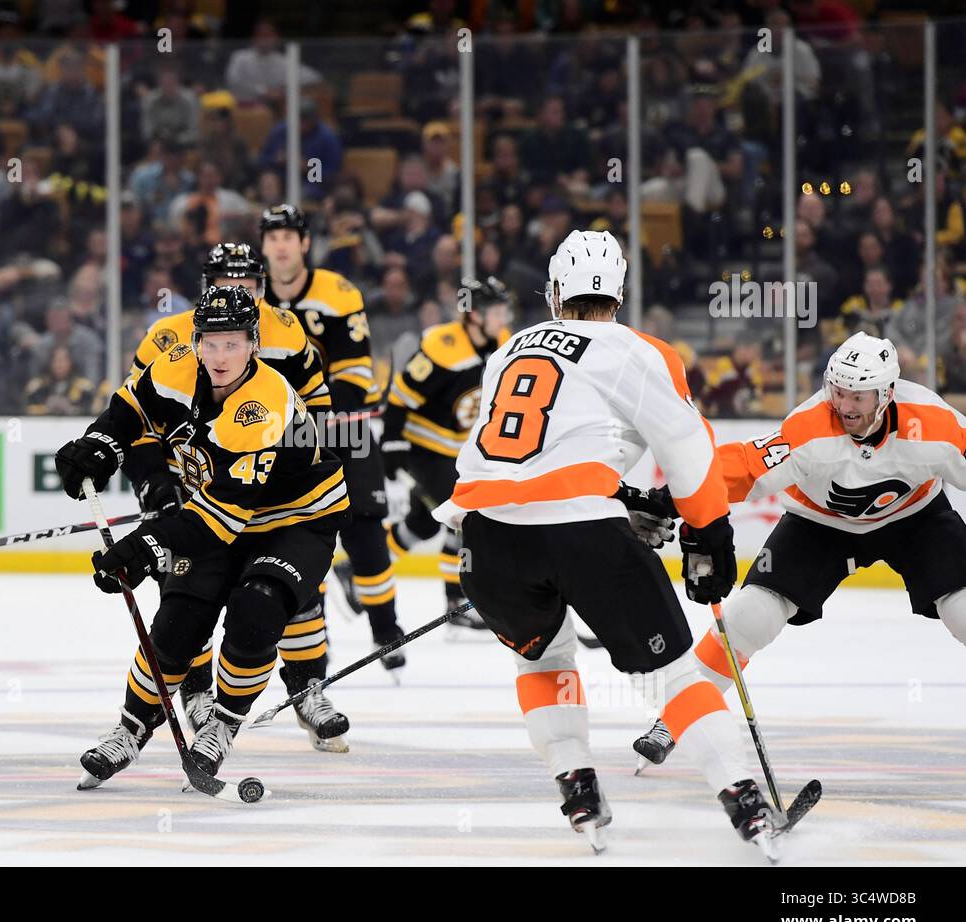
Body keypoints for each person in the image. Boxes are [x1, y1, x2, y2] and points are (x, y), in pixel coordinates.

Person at [432, 230, 779, 855]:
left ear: (555, 289)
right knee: (672, 677)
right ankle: (746, 802)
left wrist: (620, 500)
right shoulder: (637, 348)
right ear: (619, 293)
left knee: (542, 660)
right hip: (582, 536)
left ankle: (578, 786)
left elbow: (528, 454)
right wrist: (710, 533)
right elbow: (688, 449)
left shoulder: (509, 346)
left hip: (486, 540)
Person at [55, 286, 350, 787]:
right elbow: (129, 411)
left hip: (293, 519)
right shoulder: (174, 365)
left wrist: (147, 545)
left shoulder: (264, 402)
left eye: (232, 344)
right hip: (220, 511)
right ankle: (130, 729)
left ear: (253, 344)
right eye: (210, 343)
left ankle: (222, 724)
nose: (219, 356)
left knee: (257, 608)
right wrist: (99, 445)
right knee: (178, 620)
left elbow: (224, 517)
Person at [631, 332, 966, 769]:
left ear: (886, 393)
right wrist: (671, 496)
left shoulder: (934, 423)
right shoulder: (809, 427)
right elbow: (743, 469)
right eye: (838, 390)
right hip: (818, 524)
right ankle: (674, 719)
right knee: (748, 616)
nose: (845, 405)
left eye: (858, 396)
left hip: (916, 518)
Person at [124, 242, 351, 751]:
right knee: (187, 596)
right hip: (206, 487)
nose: (240, 292)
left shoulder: (287, 332)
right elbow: (139, 421)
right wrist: (155, 482)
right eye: (229, 282)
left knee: (286, 594)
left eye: (250, 283)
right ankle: (197, 695)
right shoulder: (168, 338)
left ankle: (305, 687)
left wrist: (278, 461)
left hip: (273, 492)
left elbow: (317, 407)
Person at [259, 204, 406, 668]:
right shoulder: (253, 299)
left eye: (289, 236)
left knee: (365, 529)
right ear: (264, 247)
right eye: (273, 237)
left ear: (305, 243)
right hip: (281, 436)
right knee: (300, 530)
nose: (281, 244)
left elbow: (354, 368)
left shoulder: (338, 293)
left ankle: (385, 628)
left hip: (346, 427)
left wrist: (326, 416)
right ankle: (314, 635)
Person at [382, 277, 511, 634]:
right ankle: (457, 605)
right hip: (424, 450)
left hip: (462, 451)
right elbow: (401, 397)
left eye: (503, 310)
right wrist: (391, 443)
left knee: (420, 524)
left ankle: (364, 571)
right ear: (473, 316)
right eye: (495, 311)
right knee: (465, 515)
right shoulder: (443, 346)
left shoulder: (501, 342)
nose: (503, 318)